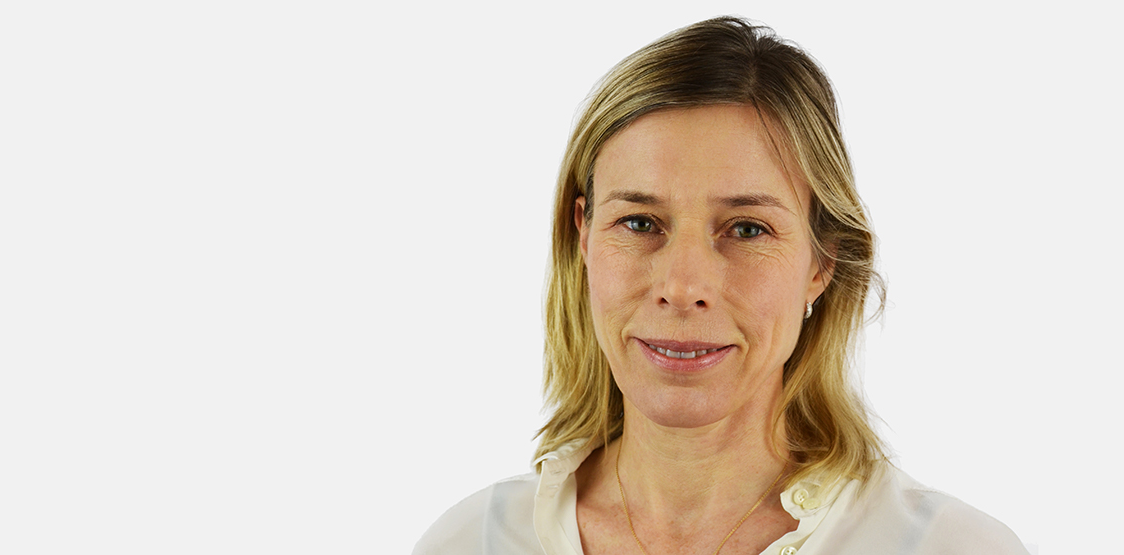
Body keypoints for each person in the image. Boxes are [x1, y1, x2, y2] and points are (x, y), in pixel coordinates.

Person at [414, 16, 1027, 555]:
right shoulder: (471, 543)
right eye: (639, 222)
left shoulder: (951, 549)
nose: (682, 287)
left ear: (821, 262)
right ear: (584, 237)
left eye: (747, 229)